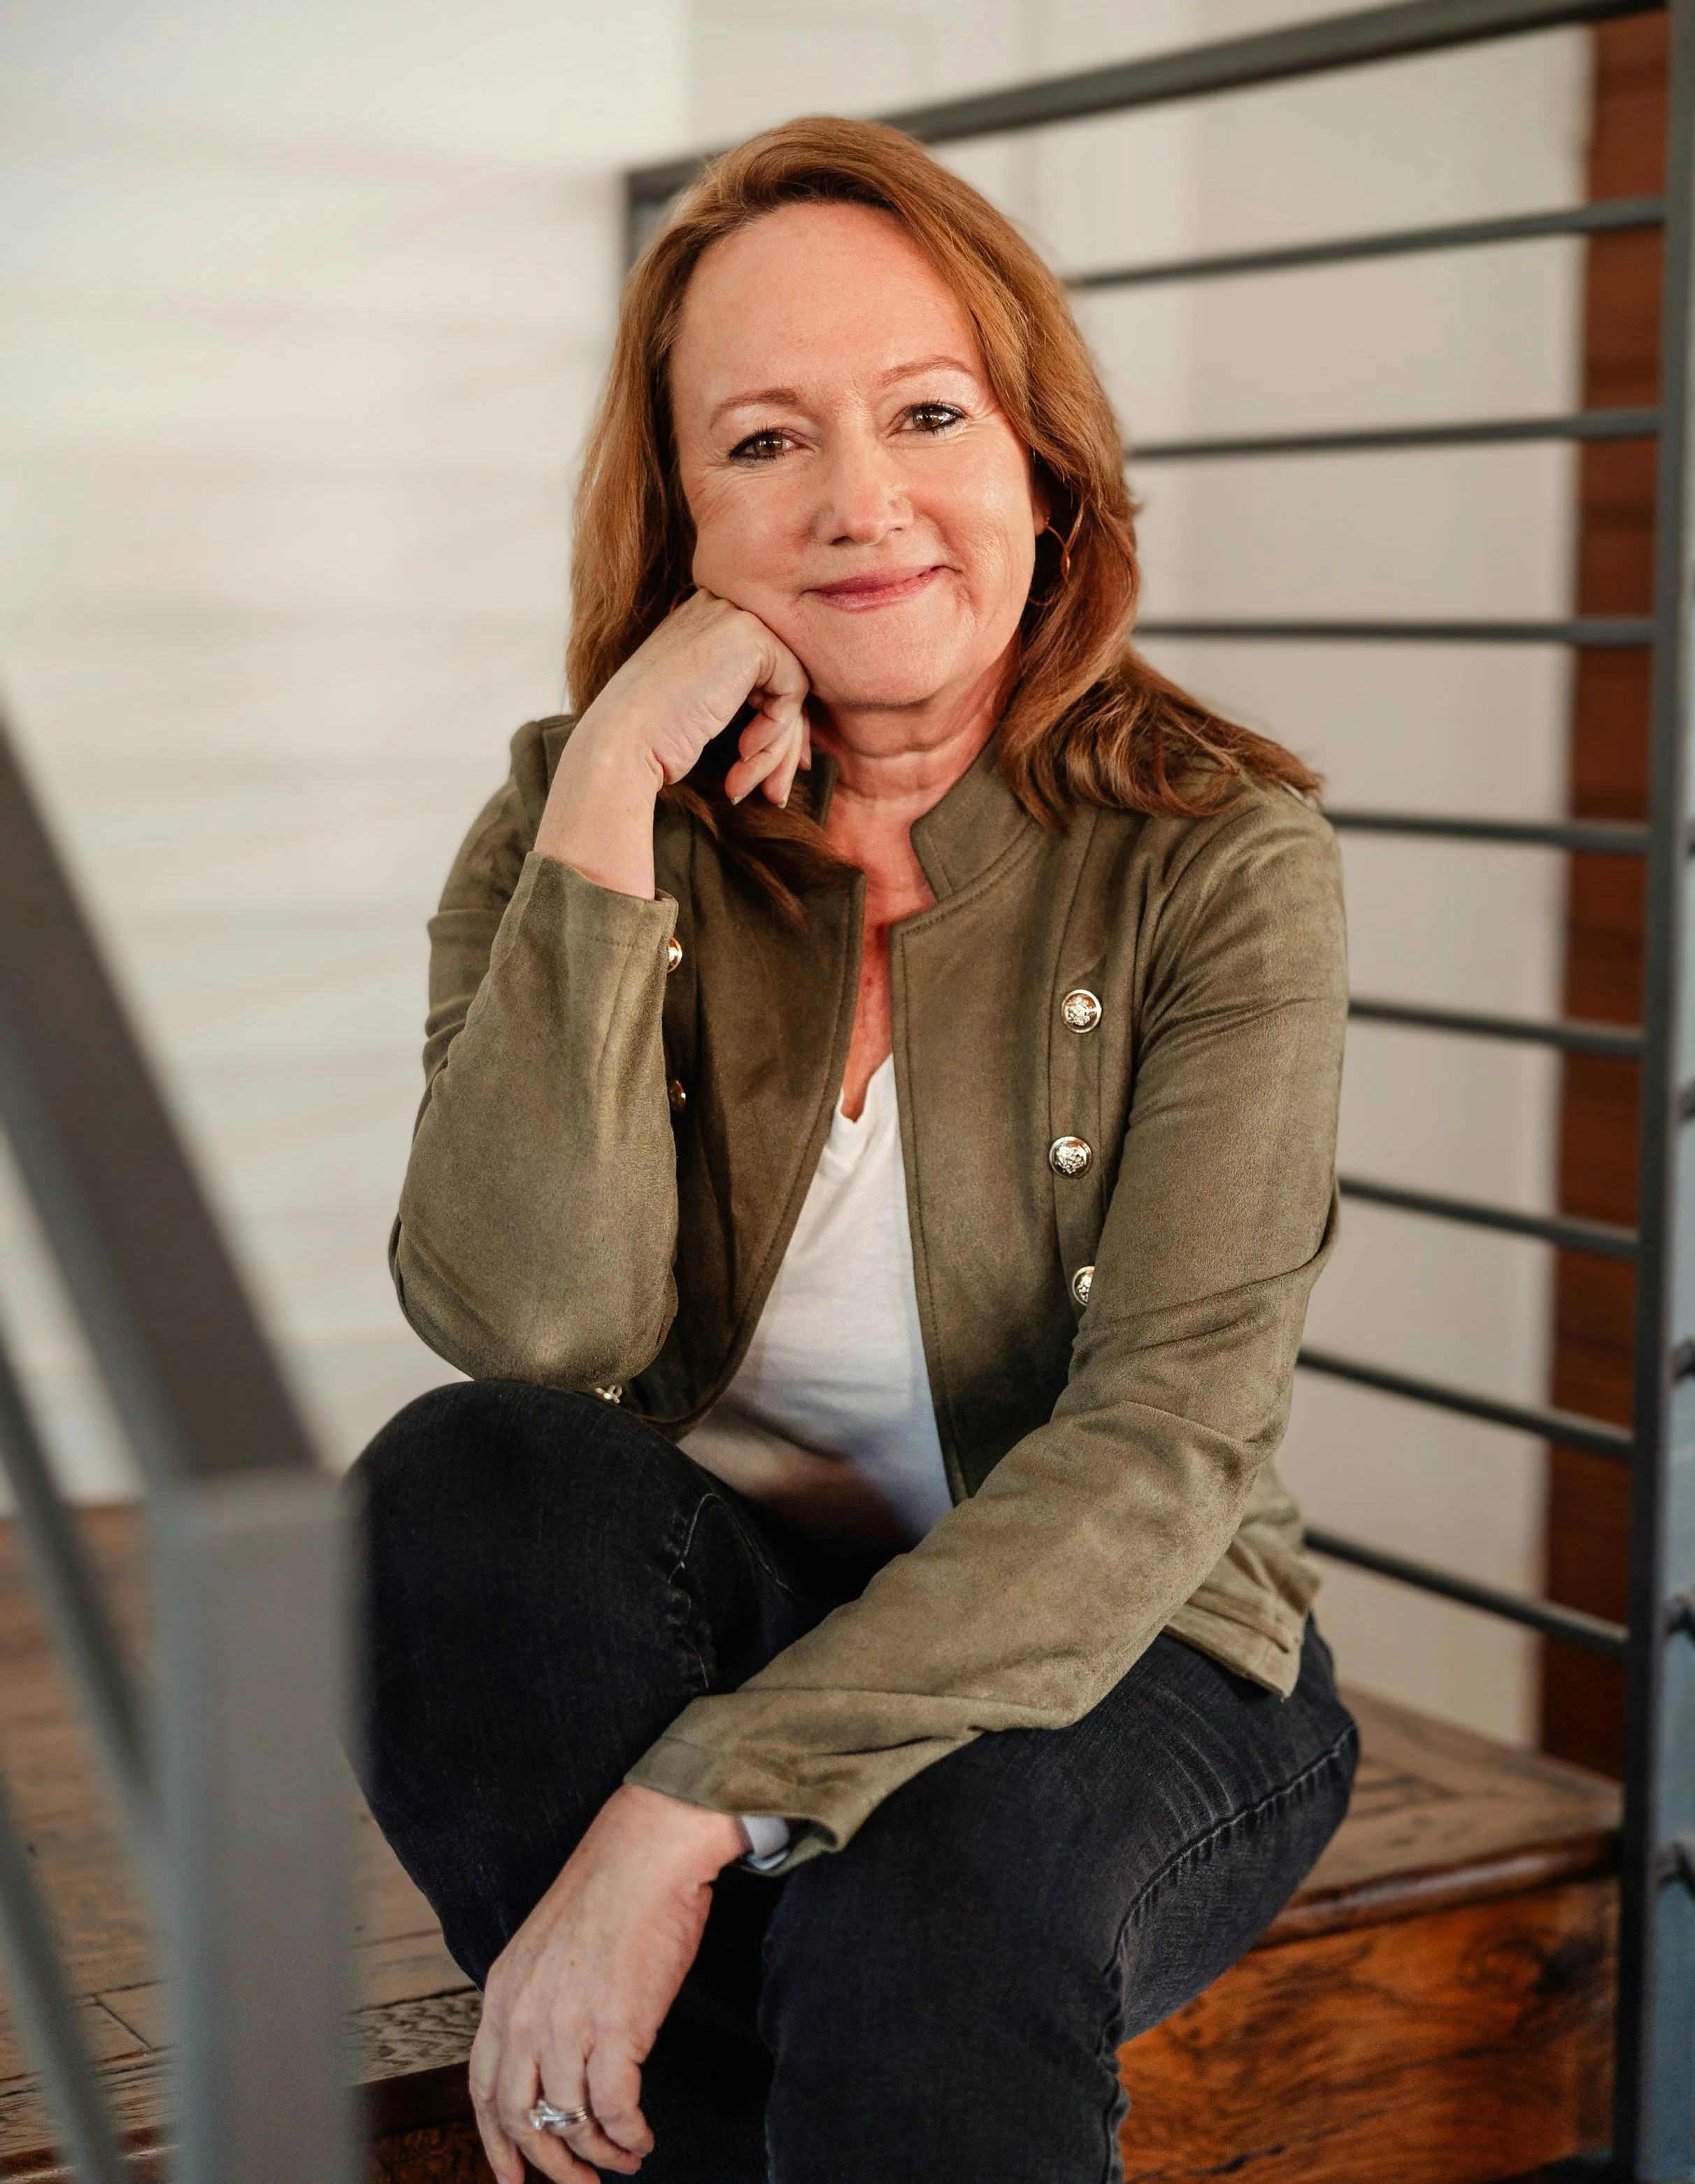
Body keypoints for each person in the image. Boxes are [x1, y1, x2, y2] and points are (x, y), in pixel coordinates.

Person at [354, 114, 1358, 2184]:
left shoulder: (1218, 855)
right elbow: (533, 1322)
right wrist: (614, 781)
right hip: (737, 1590)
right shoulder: (576, 818)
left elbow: (1162, 1443)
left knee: (940, 1869)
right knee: (459, 1482)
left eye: (927, 412)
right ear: (682, 521)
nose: (860, 502)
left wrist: (683, 1808)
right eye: (764, 442)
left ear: (1042, 469)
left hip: (1134, 1645)